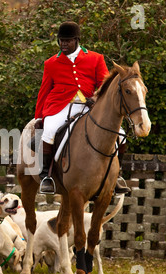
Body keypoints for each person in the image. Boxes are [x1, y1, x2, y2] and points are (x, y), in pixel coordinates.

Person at [35, 21, 130, 194]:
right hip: (61, 105)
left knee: (121, 136)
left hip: (90, 106)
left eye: (68, 41)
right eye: (61, 40)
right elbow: (44, 91)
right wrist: (39, 116)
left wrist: (94, 98)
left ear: (77, 40)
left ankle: (117, 175)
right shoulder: (51, 63)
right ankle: (46, 176)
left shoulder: (95, 58)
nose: (63, 44)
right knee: (49, 131)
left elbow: (104, 85)